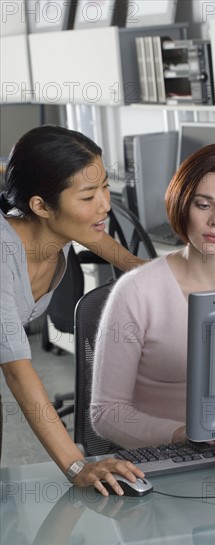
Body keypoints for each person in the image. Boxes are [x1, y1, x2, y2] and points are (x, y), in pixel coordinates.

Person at [90, 143, 215, 450]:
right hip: (170, 457)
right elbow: (106, 413)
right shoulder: (136, 291)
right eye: (203, 205)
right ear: (183, 205)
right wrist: (184, 433)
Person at [0, 125, 145, 496]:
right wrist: (78, 466)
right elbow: (17, 372)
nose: (105, 205)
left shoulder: (57, 230)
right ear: (41, 206)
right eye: (88, 196)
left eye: (104, 188)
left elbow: (101, 240)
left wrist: (154, 276)